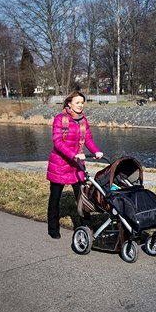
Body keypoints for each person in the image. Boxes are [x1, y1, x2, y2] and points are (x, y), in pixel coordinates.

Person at [46, 91, 103, 239]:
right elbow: (58, 142)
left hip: (77, 165)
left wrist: (96, 151)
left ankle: (86, 227)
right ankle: (53, 227)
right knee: (55, 198)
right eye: (77, 102)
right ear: (69, 103)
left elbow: (88, 139)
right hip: (60, 164)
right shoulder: (60, 119)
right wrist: (73, 154)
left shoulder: (83, 121)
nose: (80, 105)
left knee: (82, 197)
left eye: (82, 103)